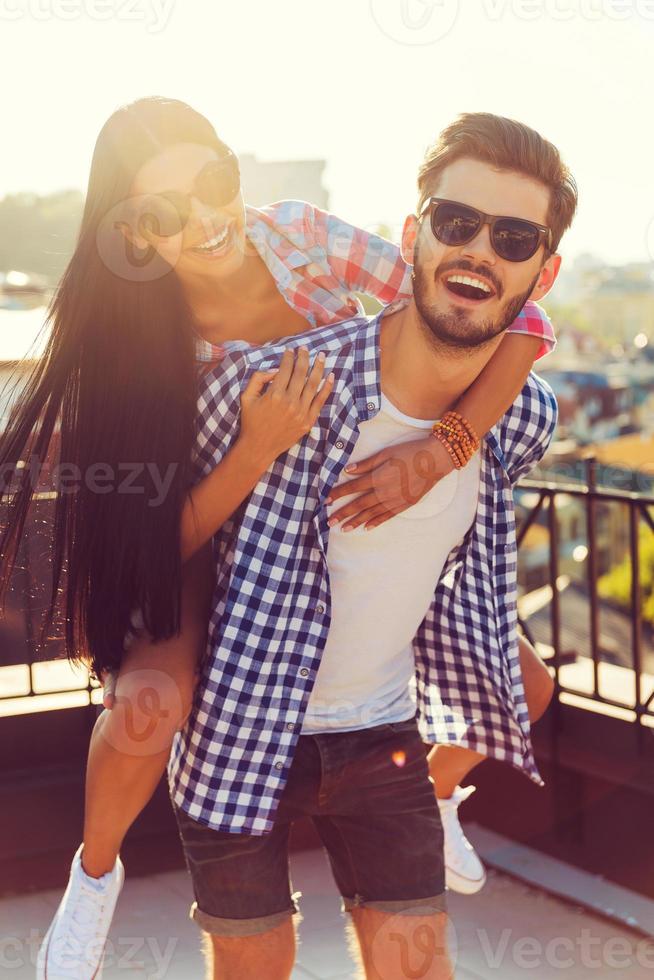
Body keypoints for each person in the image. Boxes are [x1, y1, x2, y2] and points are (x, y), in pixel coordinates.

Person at [0, 98, 554, 979]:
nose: (205, 219)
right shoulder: (143, 346)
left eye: (212, 181)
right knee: (151, 707)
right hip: (215, 536)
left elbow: (509, 324)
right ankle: (93, 879)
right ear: (136, 235)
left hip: (340, 519)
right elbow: (154, 535)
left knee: (523, 684)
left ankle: (437, 793)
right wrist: (258, 446)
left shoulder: (302, 237)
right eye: (165, 212)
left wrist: (444, 447)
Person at [164, 112, 577, 980]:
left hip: (384, 738)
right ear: (412, 235)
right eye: (455, 222)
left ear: (544, 270)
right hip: (236, 726)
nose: (477, 252)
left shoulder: (522, 419)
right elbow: (155, 541)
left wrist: (444, 448)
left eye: (513, 237)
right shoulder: (263, 385)